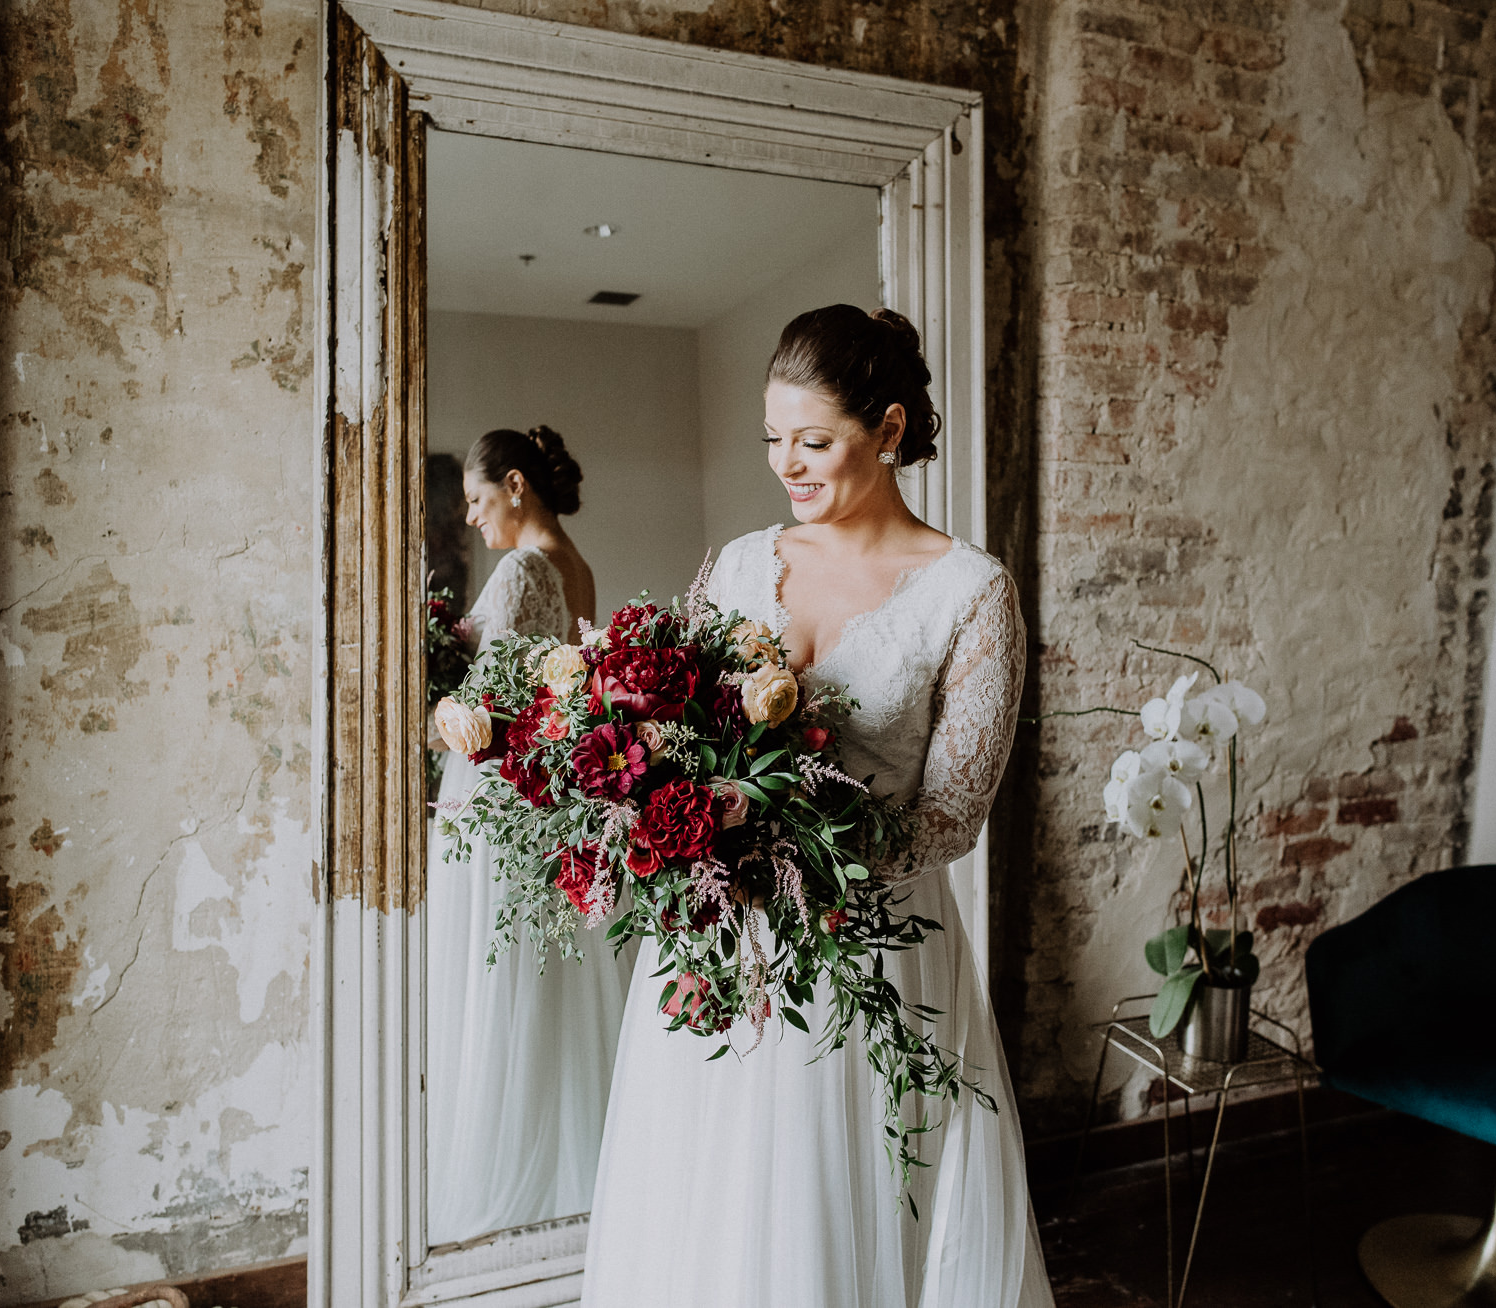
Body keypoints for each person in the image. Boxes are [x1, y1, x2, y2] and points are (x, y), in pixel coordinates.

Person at [581, 308, 1055, 1307]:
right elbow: (670, 720)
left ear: (886, 429)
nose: (787, 465)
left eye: (814, 441)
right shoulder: (742, 562)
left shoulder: (969, 593)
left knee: (847, 1220)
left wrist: (786, 831)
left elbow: (952, 819)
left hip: (871, 945)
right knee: (708, 1216)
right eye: (772, 440)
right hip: (727, 943)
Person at [427, 425, 631, 1244]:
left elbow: (487, 708)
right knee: (548, 982)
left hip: (498, 799)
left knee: (498, 976)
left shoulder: (519, 568)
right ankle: (571, 1173)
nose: (472, 520)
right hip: (553, 799)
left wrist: (436, 694)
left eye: (478, 501)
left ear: (516, 485)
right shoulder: (577, 567)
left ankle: (499, 1171)